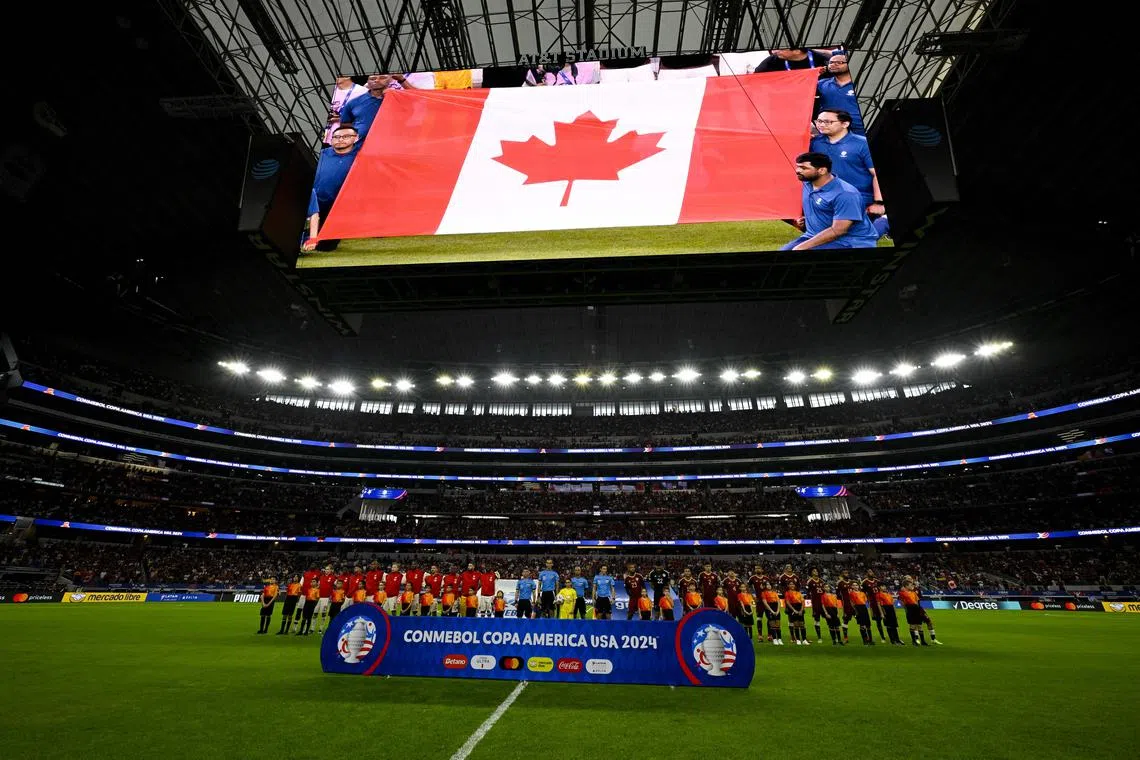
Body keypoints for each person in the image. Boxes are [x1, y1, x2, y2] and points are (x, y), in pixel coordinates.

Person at [781, 152, 881, 251]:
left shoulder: (845, 194)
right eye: (798, 167)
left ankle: (884, 222)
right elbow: (823, 208)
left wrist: (802, 247)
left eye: (804, 168)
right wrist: (806, 219)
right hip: (813, 235)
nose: (797, 170)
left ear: (822, 170)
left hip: (849, 242)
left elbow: (839, 230)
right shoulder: (808, 183)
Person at [809, 109, 883, 216]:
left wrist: (879, 203)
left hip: (858, 197)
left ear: (845, 124)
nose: (821, 125)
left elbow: (876, 174)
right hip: (825, 197)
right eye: (819, 121)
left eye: (828, 122)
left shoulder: (862, 143)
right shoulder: (815, 143)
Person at [301, 125, 360, 253]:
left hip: (337, 206)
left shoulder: (361, 156)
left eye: (346, 136)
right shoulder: (321, 154)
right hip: (312, 198)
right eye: (336, 137)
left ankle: (309, 237)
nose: (340, 139)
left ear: (356, 139)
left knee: (326, 246)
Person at [337, 72, 410, 144]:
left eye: (382, 78)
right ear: (367, 82)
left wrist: (402, 80)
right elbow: (344, 124)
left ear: (390, 80)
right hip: (361, 144)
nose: (377, 80)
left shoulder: (398, 98)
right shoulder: (354, 102)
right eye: (372, 78)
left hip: (392, 142)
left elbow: (419, 98)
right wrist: (359, 130)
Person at [817, 51, 865, 134]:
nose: (833, 64)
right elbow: (801, 90)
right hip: (833, 131)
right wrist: (815, 74)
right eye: (831, 62)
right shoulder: (822, 83)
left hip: (861, 130)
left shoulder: (862, 82)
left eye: (839, 62)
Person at [323, 75, 367, 145]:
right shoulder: (329, 89)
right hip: (326, 138)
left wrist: (342, 119)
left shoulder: (363, 92)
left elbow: (365, 121)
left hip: (346, 140)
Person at [756, 48, 832, 73]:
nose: (774, 51)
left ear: (797, 51)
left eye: (781, 49)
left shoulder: (823, 60)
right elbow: (756, 78)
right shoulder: (772, 61)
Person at [899, 580, 927, 646]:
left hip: (916, 608)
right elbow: (902, 602)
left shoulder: (914, 593)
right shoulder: (902, 593)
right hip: (910, 609)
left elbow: (916, 601)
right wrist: (906, 610)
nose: (912, 586)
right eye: (910, 585)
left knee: (920, 625)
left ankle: (923, 641)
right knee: (912, 625)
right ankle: (914, 641)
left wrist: (920, 609)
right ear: (906, 586)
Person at [862, 570, 886, 642]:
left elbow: (883, 586)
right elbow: (862, 591)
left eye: (872, 572)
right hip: (873, 604)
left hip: (881, 602)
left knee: (887, 618)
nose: (871, 573)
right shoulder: (865, 582)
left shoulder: (877, 581)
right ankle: (882, 637)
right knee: (878, 621)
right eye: (869, 572)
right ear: (867, 574)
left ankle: (892, 636)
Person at [804, 568, 826, 643]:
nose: (816, 572)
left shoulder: (821, 581)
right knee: (817, 620)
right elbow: (807, 591)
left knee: (829, 618)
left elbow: (825, 590)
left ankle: (834, 635)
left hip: (824, 603)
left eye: (816, 571)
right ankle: (819, 637)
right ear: (811, 573)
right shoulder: (810, 581)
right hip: (816, 603)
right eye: (814, 571)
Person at [785, 581, 808, 645]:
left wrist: (801, 610)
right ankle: (798, 640)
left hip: (799, 607)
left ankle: (804, 639)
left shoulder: (799, 593)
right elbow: (788, 602)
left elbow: (802, 601)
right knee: (796, 624)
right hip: (793, 608)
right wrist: (794, 610)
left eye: (793, 584)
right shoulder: (787, 593)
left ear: (795, 586)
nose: (792, 585)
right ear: (788, 586)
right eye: (790, 584)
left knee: (802, 624)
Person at [836, 570, 855, 644]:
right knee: (845, 620)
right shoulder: (840, 583)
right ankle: (845, 638)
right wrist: (844, 599)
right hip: (846, 605)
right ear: (842, 575)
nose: (846, 574)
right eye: (845, 573)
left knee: (860, 619)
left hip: (855, 604)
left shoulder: (851, 582)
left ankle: (865, 637)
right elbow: (837, 594)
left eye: (847, 573)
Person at [316, 566, 336, 634]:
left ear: (331, 570)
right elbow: (318, 585)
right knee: (315, 613)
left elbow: (337, 586)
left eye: (328, 569)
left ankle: (321, 628)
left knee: (323, 614)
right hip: (319, 597)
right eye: (325, 569)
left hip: (326, 598)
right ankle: (312, 628)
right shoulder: (321, 577)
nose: (326, 570)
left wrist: (332, 595)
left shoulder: (333, 577)